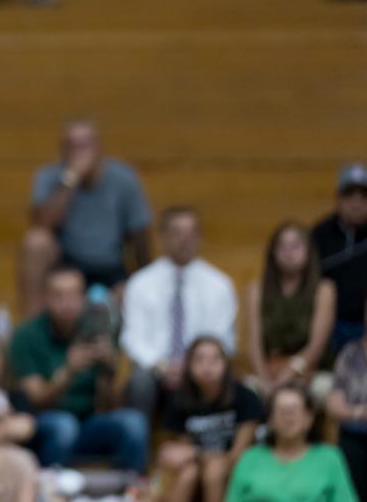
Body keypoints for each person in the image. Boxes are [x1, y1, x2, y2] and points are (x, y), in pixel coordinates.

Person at [9, 265, 149, 472]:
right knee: (64, 425)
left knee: (134, 422)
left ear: (84, 298)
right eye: (59, 295)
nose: (67, 303)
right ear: (46, 298)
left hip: (89, 422)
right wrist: (68, 371)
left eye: (74, 295)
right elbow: (35, 400)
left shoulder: (97, 330)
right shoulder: (26, 336)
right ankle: (51, 490)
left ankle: (131, 491)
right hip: (44, 424)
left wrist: (108, 371)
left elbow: (109, 405)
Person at [20, 119, 152, 316]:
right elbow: (42, 224)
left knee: (131, 293)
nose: (80, 153)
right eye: (73, 146)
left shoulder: (124, 179)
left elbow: (140, 236)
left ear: (99, 149)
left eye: (86, 145)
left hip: (111, 268)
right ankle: (32, 329)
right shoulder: (49, 177)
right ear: (62, 151)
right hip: (65, 265)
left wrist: (143, 284)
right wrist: (71, 178)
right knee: (35, 241)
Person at [121, 206, 238, 417]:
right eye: (177, 233)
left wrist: (194, 365)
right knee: (139, 382)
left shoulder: (219, 284)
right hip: (156, 369)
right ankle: (140, 447)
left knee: (220, 378)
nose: (185, 240)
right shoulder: (141, 283)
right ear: (162, 237)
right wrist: (163, 366)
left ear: (200, 237)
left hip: (202, 369)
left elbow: (223, 338)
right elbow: (133, 338)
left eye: (191, 233)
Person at [158, 336, 263, 502]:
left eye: (215, 359)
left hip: (237, 465)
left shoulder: (245, 397)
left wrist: (196, 453)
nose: (207, 366)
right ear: (188, 366)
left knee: (214, 470)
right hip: (199, 466)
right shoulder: (179, 400)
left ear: (226, 364)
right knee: (188, 472)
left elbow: (238, 455)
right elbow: (181, 451)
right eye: (199, 359)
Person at [246, 221, 336, 399]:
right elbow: (253, 344)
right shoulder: (257, 289)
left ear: (308, 251)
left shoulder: (324, 289)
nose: (289, 252)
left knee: (324, 388)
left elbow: (316, 346)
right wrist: (265, 379)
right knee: (247, 391)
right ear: (273, 252)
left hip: (310, 370)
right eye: (282, 246)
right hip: (269, 369)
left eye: (295, 245)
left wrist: (287, 376)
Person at [225, 384, 357, 502]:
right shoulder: (249, 458)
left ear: (309, 418)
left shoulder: (329, 458)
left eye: (293, 410)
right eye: (281, 411)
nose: (288, 417)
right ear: (270, 420)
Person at [314, 163, 367, 353]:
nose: (356, 202)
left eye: (363, 196)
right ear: (337, 198)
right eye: (349, 195)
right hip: (329, 327)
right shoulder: (320, 234)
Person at [326, 291, 367, 500]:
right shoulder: (350, 353)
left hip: (356, 420)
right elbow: (334, 405)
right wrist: (360, 412)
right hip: (355, 433)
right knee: (350, 449)